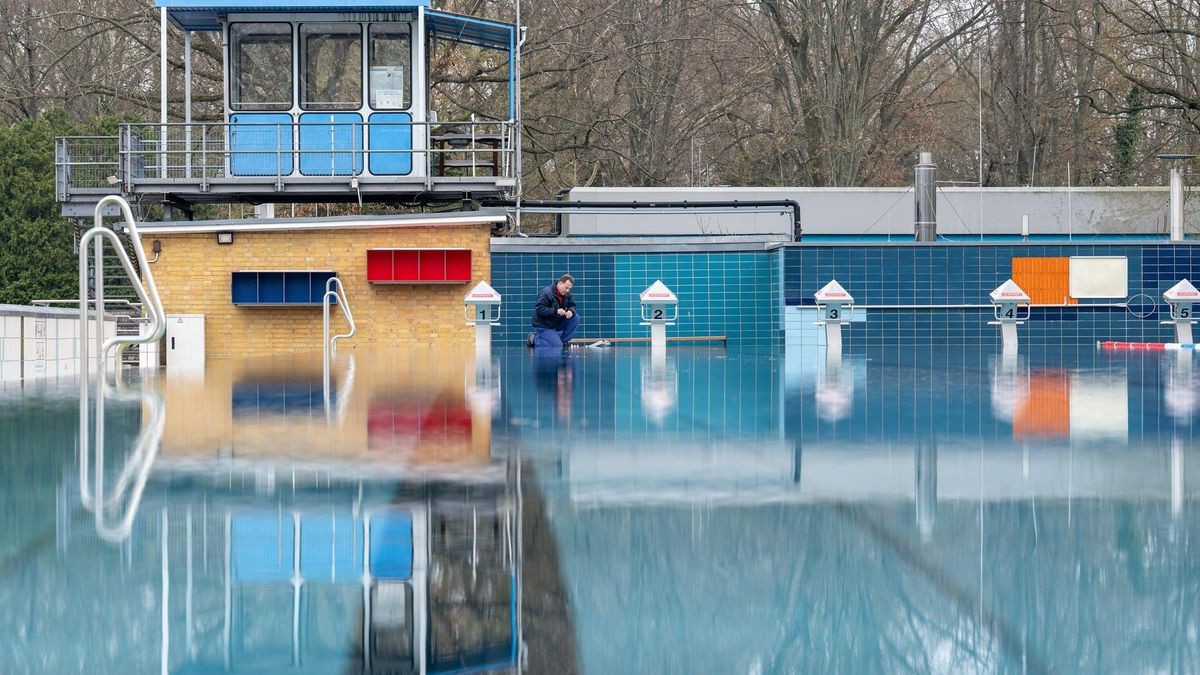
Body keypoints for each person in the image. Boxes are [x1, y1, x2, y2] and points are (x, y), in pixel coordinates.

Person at [529, 274, 580, 350]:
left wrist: (571, 311)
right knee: (556, 346)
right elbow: (539, 309)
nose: (567, 290)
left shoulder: (566, 294)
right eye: (566, 288)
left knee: (575, 317)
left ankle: (563, 342)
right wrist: (556, 311)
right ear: (560, 283)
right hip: (543, 325)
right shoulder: (546, 293)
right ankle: (533, 339)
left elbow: (572, 305)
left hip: (555, 321)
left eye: (569, 288)